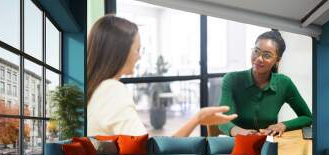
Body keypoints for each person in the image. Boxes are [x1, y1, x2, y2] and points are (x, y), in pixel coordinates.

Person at [87, 15, 237, 137]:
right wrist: (196, 119)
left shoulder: (97, 89)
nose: (139, 56)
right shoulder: (111, 90)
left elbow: (150, 149)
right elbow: (148, 154)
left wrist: (197, 119)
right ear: (119, 51)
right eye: (137, 50)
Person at [218, 30, 312, 137]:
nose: (258, 59)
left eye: (267, 55)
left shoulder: (284, 83)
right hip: (238, 144)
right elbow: (222, 119)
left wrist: (282, 125)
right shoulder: (231, 79)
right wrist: (239, 131)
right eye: (256, 51)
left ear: (277, 60)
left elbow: (307, 117)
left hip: (268, 144)